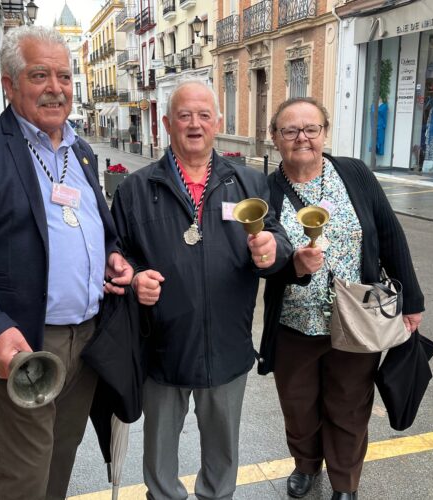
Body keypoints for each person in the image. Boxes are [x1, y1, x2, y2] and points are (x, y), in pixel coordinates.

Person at [0, 26, 133, 500]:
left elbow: (91, 225)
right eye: (39, 75)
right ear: (9, 83)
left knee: (60, 462)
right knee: (24, 479)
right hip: (28, 343)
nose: (56, 88)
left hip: (87, 341)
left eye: (64, 75)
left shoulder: (80, 152)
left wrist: (111, 256)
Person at [111, 80, 292, 500]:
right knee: (158, 459)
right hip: (161, 351)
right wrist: (135, 277)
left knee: (223, 456)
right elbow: (115, 252)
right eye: (185, 116)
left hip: (227, 347)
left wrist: (273, 249)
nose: (195, 124)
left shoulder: (249, 183)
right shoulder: (136, 190)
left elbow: (279, 238)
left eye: (204, 115)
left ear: (218, 123)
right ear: (167, 123)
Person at [258, 97, 424, 500]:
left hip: (357, 318)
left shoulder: (354, 173)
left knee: (349, 406)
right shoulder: (264, 190)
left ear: (324, 133)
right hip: (294, 323)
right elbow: (260, 261)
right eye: (290, 130)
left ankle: (344, 483)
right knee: (299, 406)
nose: (302, 138)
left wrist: (412, 300)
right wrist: (291, 266)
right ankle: (306, 464)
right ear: (274, 138)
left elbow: (388, 232)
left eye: (311, 129)